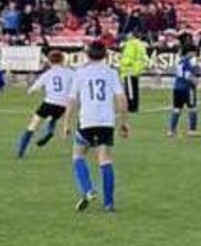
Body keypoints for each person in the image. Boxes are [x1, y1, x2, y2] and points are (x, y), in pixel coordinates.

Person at [64, 41, 129, 213]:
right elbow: (121, 98)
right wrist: (124, 122)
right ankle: (109, 204)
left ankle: (88, 189)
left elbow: (72, 100)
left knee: (78, 155)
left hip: (87, 120)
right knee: (105, 160)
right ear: (106, 55)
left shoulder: (80, 73)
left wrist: (66, 123)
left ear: (87, 54)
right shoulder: (111, 72)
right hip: (106, 122)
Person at [17, 50, 72, 158]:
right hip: (62, 105)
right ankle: (50, 132)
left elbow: (34, 88)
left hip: (49, 102)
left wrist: (30, 91)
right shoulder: (70, 73)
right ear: (62, 60)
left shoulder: (47, 74)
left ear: (49, 62)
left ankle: (21, 151)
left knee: (33, 125)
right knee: (54, 118)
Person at [167, 45, 201, 138]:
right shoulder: (187, 62)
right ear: (189, 52)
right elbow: (187, 75)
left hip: (177, 88)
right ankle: (192, 130)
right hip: (187, 88)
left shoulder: (180, 61)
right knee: (192, 108)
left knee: (176, 109)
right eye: (194, 52)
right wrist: (195, 81)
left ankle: (171, 131)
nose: (195, 54)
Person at [118, 33, 148, 113]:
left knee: (130, 90)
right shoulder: (140, 44)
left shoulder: (131, 44)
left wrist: (123, 63)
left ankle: (131, 107)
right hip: (136, 69)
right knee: (134, 89)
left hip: (129, 70)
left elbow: (129, 56)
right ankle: (135, 106)